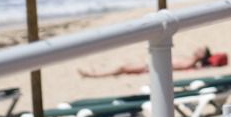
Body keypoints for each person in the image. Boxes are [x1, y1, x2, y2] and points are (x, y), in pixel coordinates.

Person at [79, 46, 213, 78]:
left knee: (122, 67)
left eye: (200, 50)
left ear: (202, 55)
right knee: (123, 66)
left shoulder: (189, 62)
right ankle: (95, 73)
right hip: (152, 64)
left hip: (151, 66)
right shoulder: (190, 61)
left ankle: (94, 74)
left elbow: (173, 66)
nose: (197, 49)